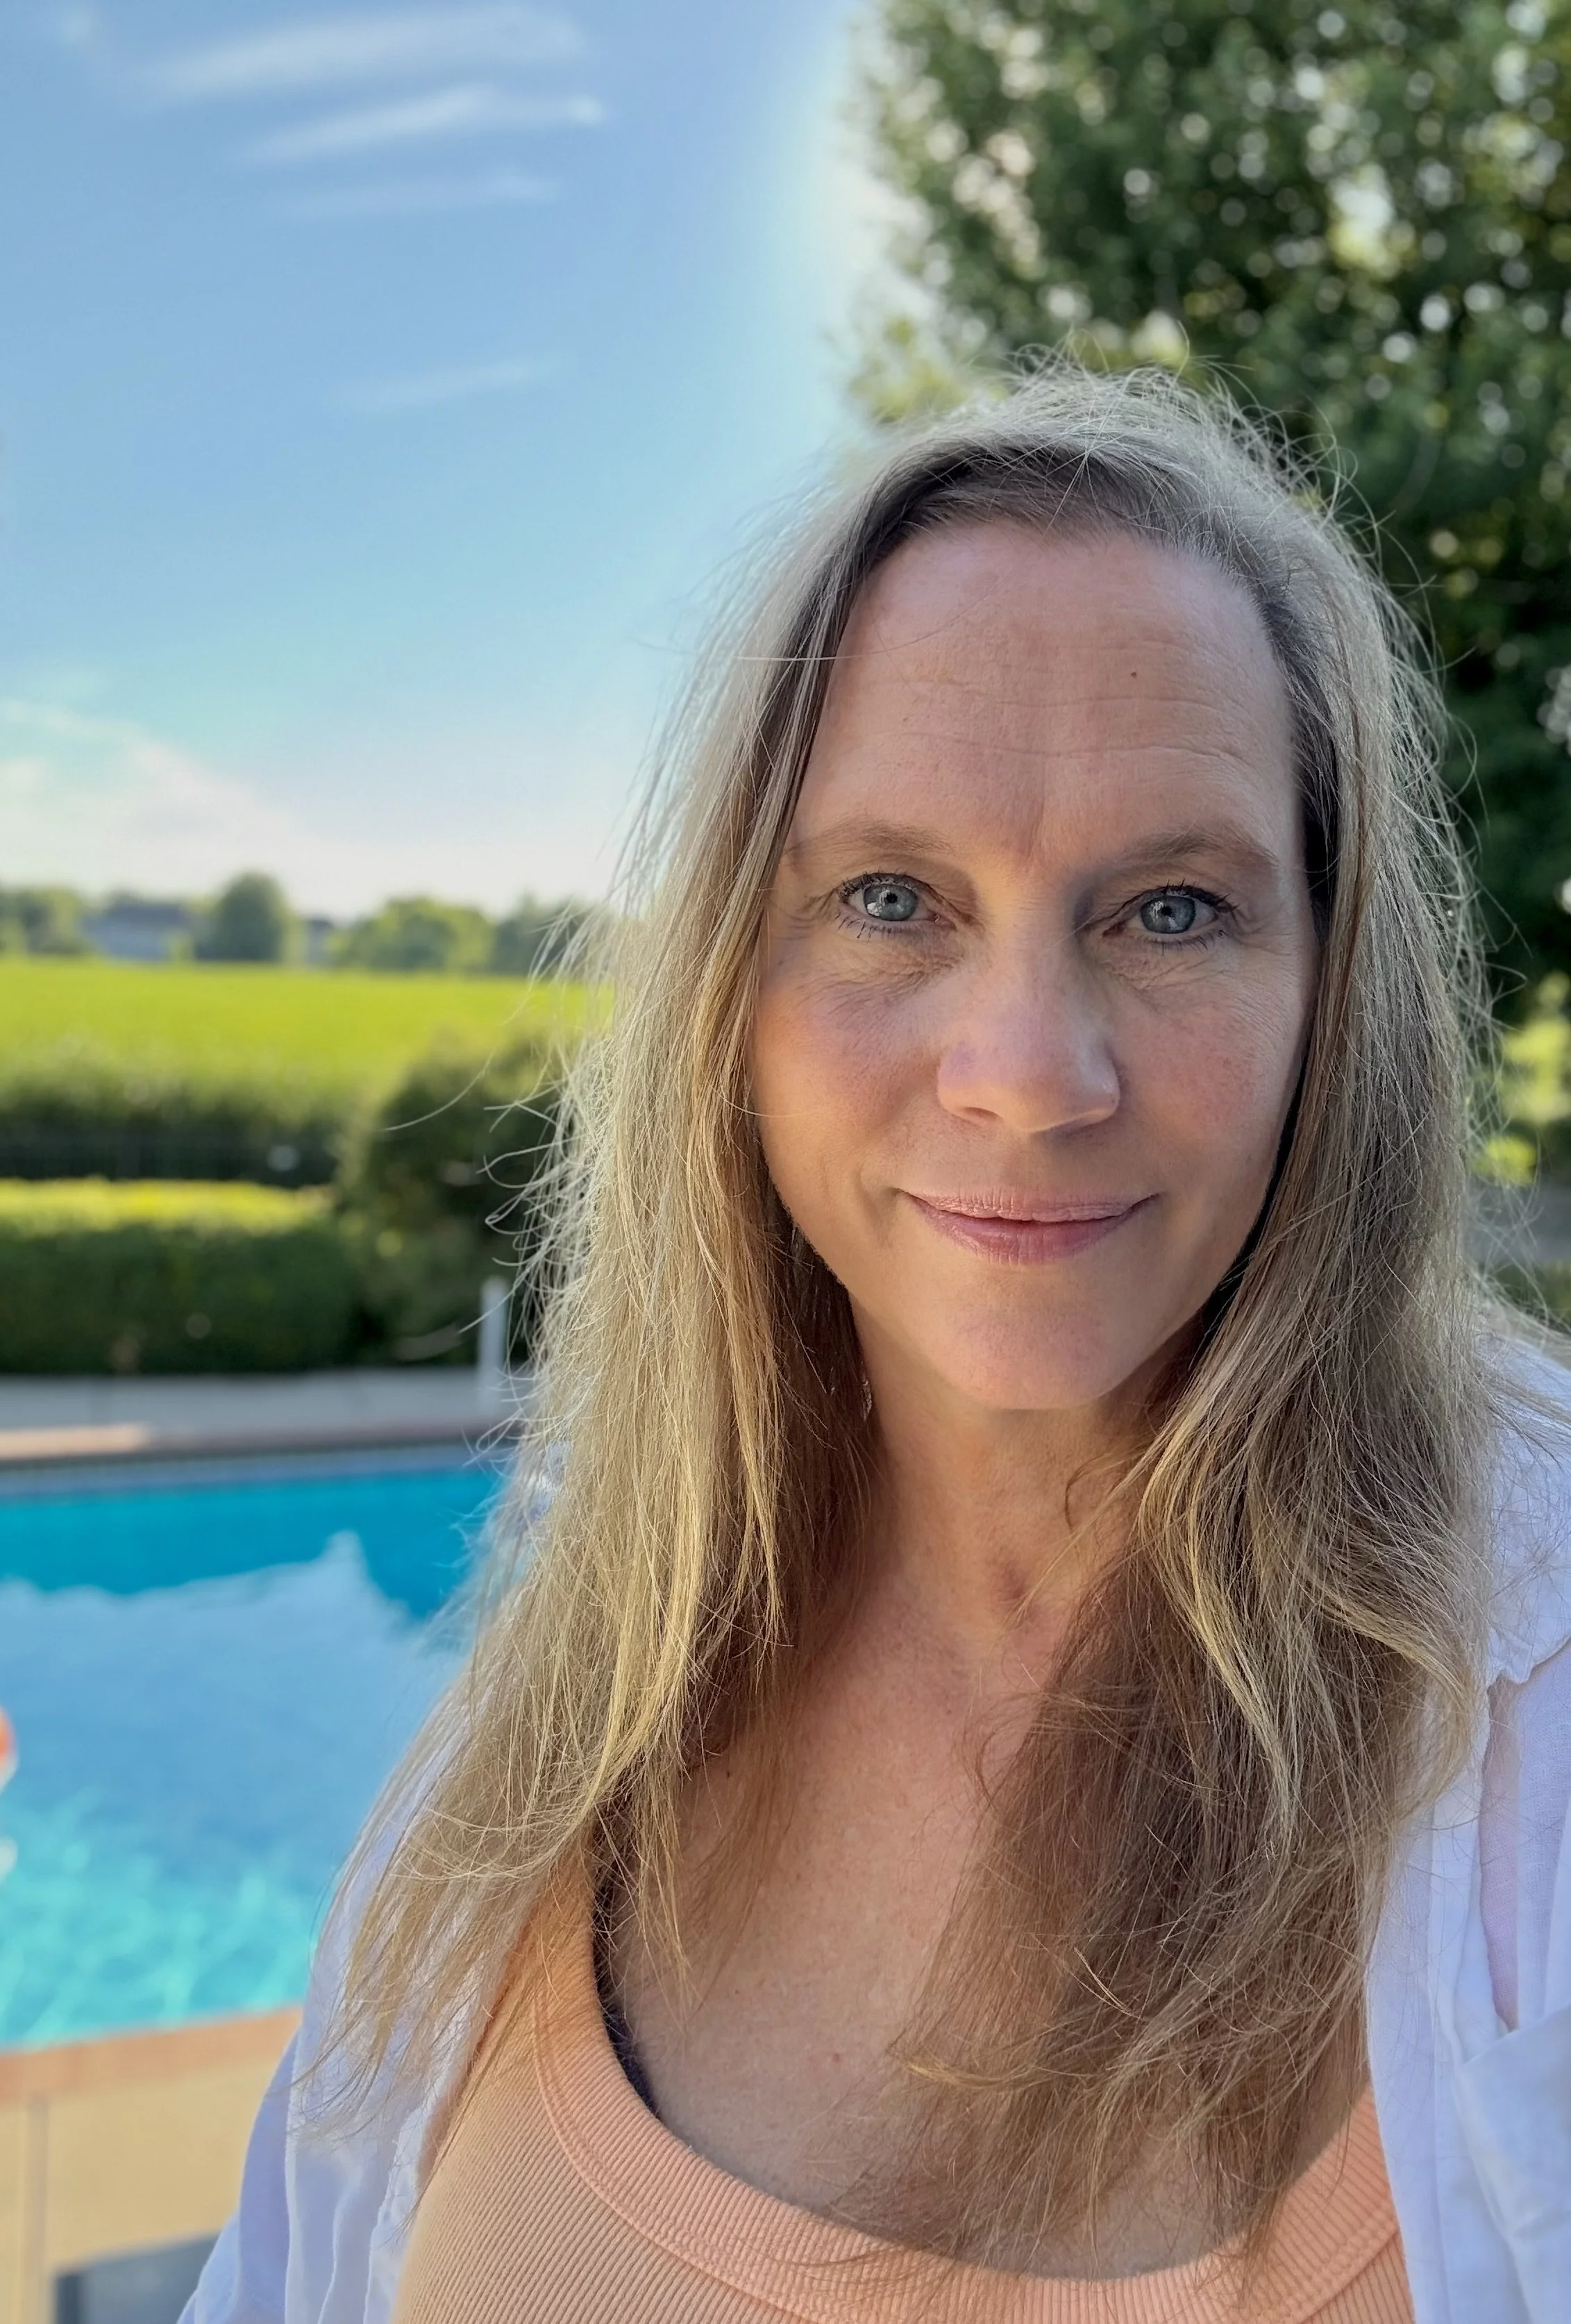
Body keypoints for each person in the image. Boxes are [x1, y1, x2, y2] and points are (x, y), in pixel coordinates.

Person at [187, 367, 1571, 2324]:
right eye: (890, 899)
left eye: (1172, 908)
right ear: (727, 995)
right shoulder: (562, 1706)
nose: (1025, 1074)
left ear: (1330, 998)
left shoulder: (1535, 1713)